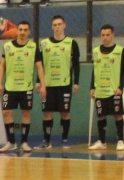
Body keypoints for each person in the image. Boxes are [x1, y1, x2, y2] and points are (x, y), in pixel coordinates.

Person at [0, 21, 44, 153]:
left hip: (26, 87)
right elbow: (2, 66)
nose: (22, 32)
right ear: (17, 31)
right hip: (10, 86)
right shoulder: (7, 46)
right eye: (20, 29)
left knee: (26, 113)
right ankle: (11, 142)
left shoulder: (33, 47)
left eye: (25, 30)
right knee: (6, 112)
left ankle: (24, 142)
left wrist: (43, 85)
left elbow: (39, 67)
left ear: (29, 32)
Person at [39, 15, 80, 149]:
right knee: (47, 112)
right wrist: (39, 81)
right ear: (52, 27)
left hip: (64, 84)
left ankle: (64, 140)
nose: (57, 27)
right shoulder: (44, 44)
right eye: (55, 25)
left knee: (65, 112)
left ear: (64, 25)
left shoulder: (71, 43)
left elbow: (76, 64)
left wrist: (76, 82)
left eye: (59, 24)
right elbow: (40, 64)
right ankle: (46, 141)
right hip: (48, 85)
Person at [90, 24, 124, 152]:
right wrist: (92, 87)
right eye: (103, 35)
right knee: (101, 116)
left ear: (113, 35)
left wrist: (120, 87)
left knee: (118, 115)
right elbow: (94, 71)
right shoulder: (96, 51)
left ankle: (120, 140)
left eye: (107, 35)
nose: (105, 37)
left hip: (114, 90)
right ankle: (102, 141)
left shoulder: (120, 50)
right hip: (100, 90)